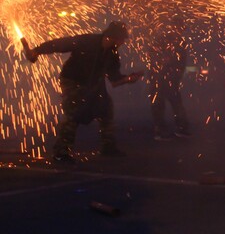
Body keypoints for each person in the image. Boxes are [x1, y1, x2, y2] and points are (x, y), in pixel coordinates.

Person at [25, 21, 143, 162]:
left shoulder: (112, 54)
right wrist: (37, 50)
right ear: (112, 37)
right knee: (74, 110)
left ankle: (108, 147)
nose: (123, 42)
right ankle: (60, 151)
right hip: (72, 80)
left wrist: (129, 79)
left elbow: (114, 80)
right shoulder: (87, 41)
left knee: (106, 108)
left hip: (93, 84)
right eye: (122, 39)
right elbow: (61, 44)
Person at [147, 18, 190, 140]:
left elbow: (180, 63)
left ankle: (180, 128)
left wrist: (176, 76)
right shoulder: (164, 39)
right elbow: (153, 55)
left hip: (169, 78)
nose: (180, 30)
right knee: (160, 104)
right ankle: (161, 130)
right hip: (160, 77)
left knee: (175, 104)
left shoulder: (179, 42)